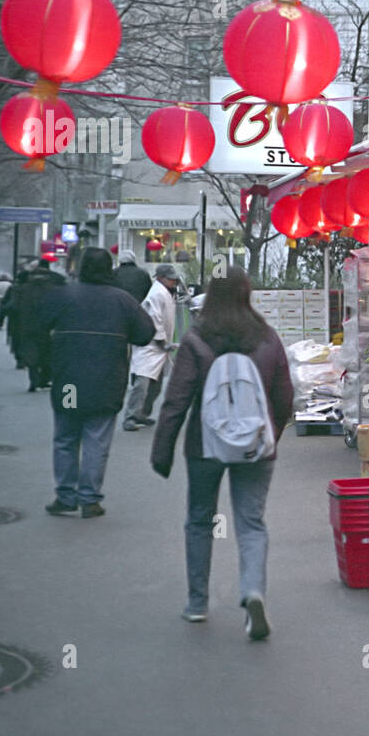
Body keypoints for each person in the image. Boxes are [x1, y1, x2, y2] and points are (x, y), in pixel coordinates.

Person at [150, 267, 293, 637]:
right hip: (256, 447)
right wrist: (270, 435)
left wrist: (162, 451)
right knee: (251, 523)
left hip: (205, 446)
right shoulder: (267, 338)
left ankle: (198, 604)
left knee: (200, 520)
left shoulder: (197, 339)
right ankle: (252, 591)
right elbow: (284, 397)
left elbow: (176, 399)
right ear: (247, 294)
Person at [37, 247, 155, 519]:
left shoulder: (64, 295)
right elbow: (145, 334)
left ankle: (65, 495)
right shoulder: (122, 300)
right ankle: (89, 498)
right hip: (106, 380)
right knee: (96, 440)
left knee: (65, 438)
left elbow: (38, 324)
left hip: (68, 382)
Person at [122, 264, 182, 431]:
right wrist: (162, 341)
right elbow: (154, 318)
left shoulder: (165, 292)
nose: (173, 281)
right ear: (161, 278)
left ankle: (142, 412)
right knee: (142, 383)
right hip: (149, 344)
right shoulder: (156, 294)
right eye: (170, 278)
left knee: (156, 386)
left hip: (158, 345)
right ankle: (131, 415)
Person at [13, 259, 65, 391]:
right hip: (48, 326)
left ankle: (33, 379)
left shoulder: (24, 289)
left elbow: (16, 307)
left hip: (28, 326)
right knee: (47, 353)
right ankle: (44, 379)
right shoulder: (54, 289)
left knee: (31, 353)